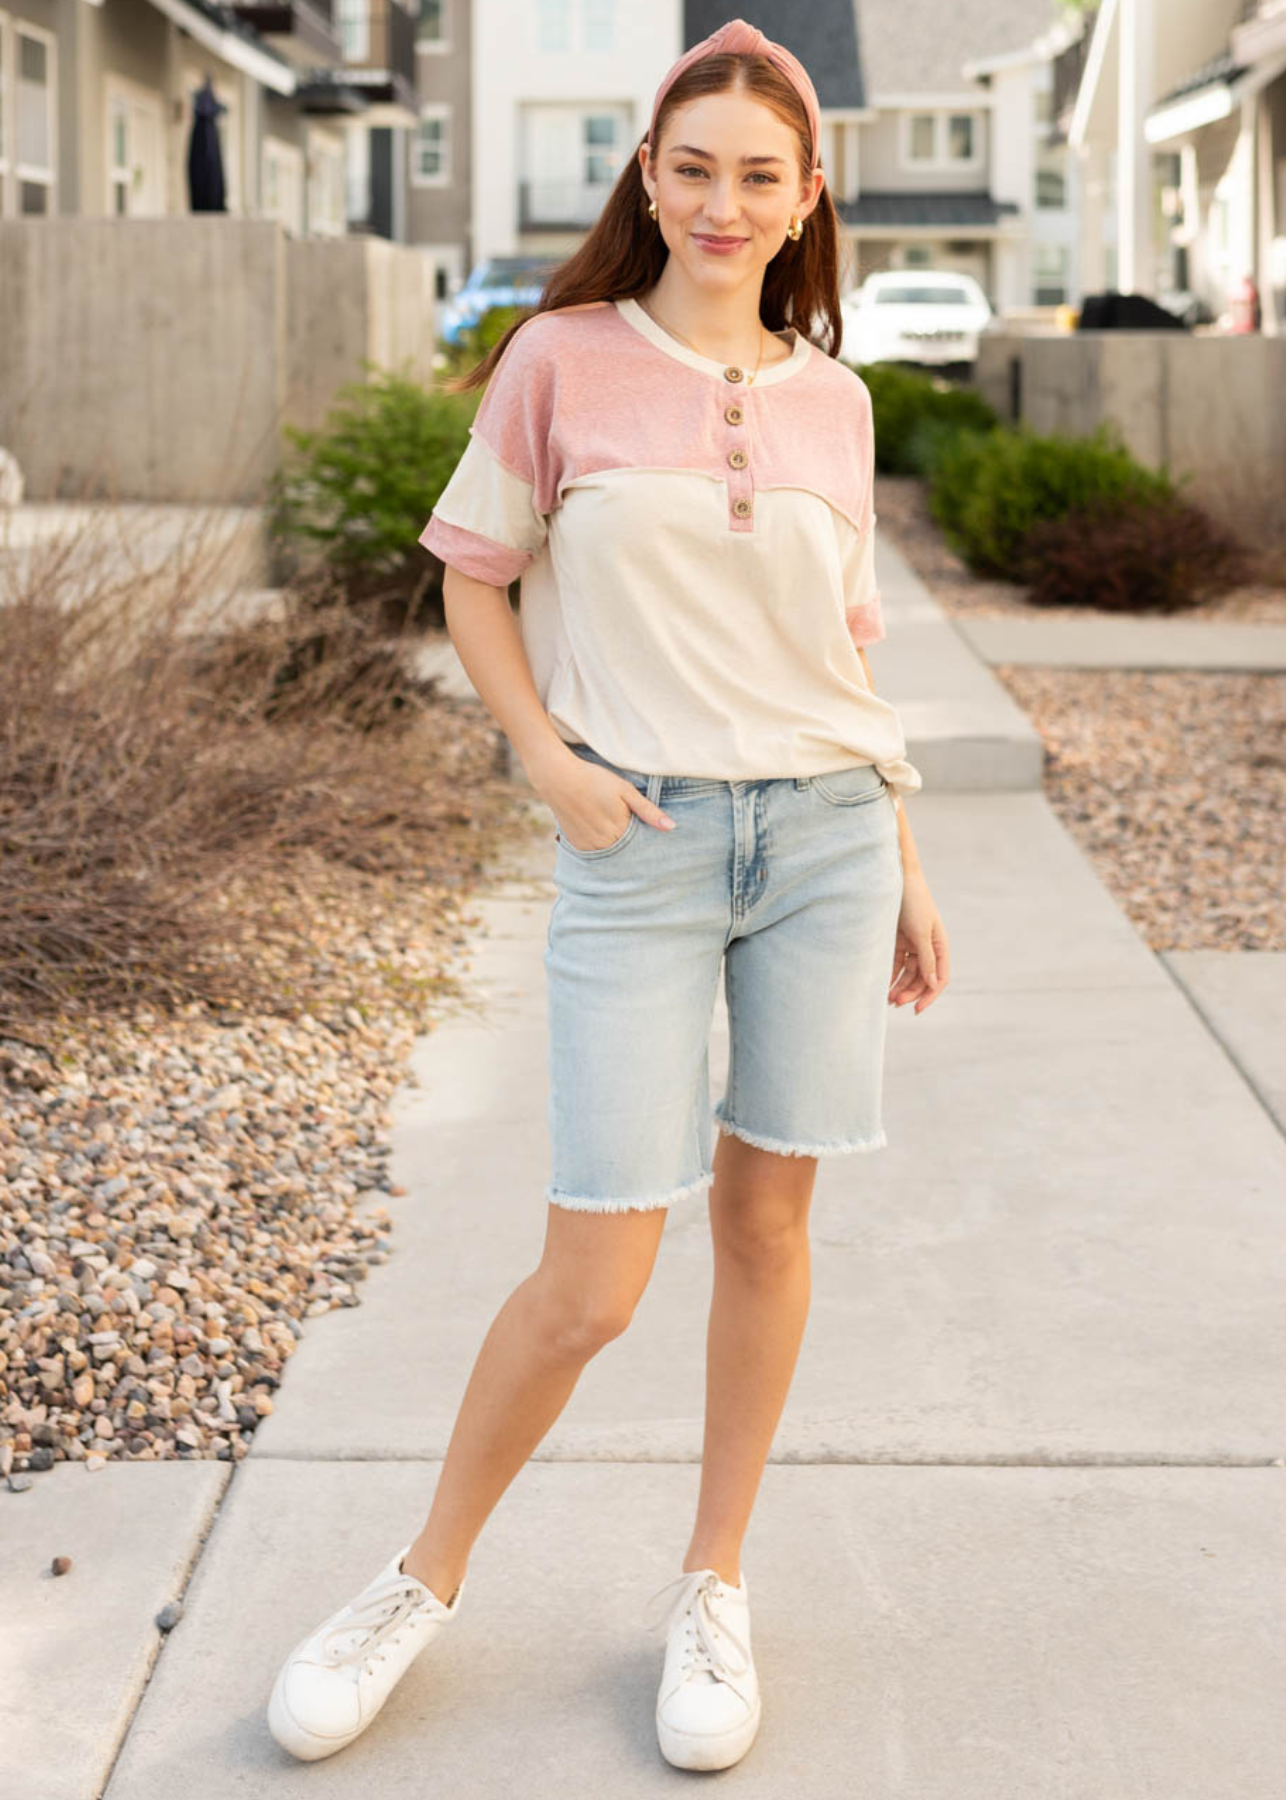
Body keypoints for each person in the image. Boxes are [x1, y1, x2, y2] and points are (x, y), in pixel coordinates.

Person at [266, 15, 950, 1774]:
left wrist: (906, 859)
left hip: (822, 837)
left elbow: (841, 648)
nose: (724, 203)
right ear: (649, 180)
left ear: (807, 202)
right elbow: (475, 582)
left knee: (767, 1228)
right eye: (693, 168)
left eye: (760, 177)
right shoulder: (559, 356)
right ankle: (417, 1580)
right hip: (634, 849)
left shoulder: (835, 396)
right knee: (592, 1277)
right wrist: (550, 766)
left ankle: (711, 1583)